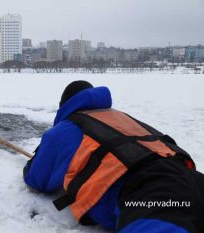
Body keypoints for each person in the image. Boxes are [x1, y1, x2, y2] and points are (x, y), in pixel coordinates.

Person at [23, 80, 204, 233]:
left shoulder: (67, 128)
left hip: (149, 191)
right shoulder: (119, 117)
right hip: (189, 176)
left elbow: (38, 179)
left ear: (65, 106)